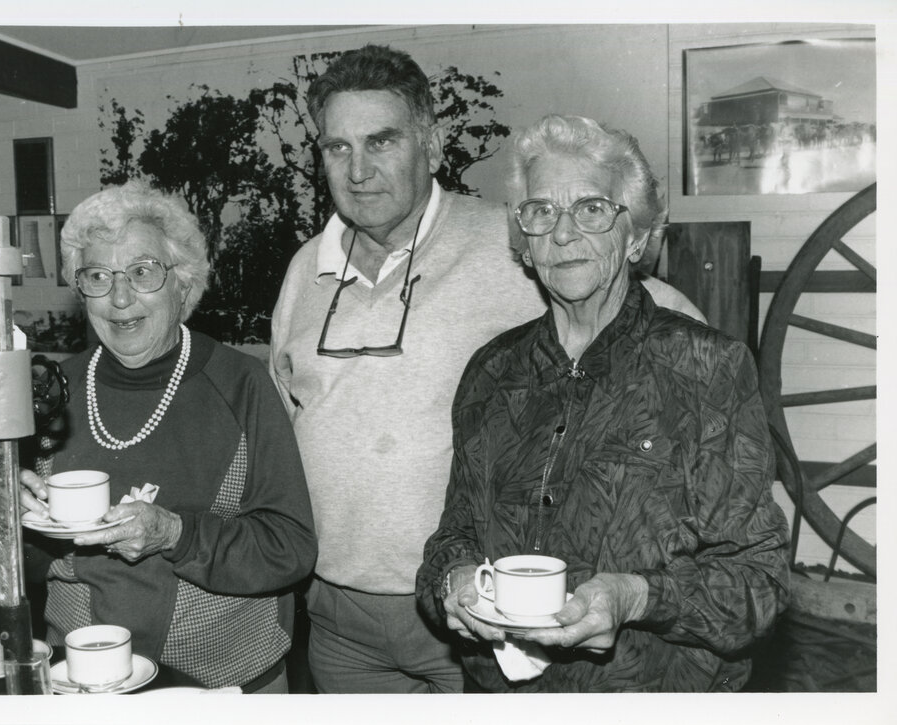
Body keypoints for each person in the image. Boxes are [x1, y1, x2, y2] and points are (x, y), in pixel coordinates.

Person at [269, 46, 704, 694]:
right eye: (337, 148)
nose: (358, 170)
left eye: (381, 141)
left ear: (431, 140)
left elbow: (661, 319)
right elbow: (288, 407)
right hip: (337, 615)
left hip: (479, 613)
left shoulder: (507, 245)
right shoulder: (307, 269)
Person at [416, 114, 791, 692]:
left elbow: (758, 584)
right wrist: (454, 583)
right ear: (524, 243)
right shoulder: (492, 371)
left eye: (591, 209)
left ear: (637, 235)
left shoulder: (705, 368)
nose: (563, 234)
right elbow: (451, 536)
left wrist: (634, 597)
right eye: (541, 212)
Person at [15, 180, 317, 693]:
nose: (120, 296)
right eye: (97, 275)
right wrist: (12, 517)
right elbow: (13, 557)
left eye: (142, 271)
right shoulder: (52, 388)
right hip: (79, 679)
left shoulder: (241, 384)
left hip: (219, 684)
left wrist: (176, 535)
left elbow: (289, 547)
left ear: (183, 283)